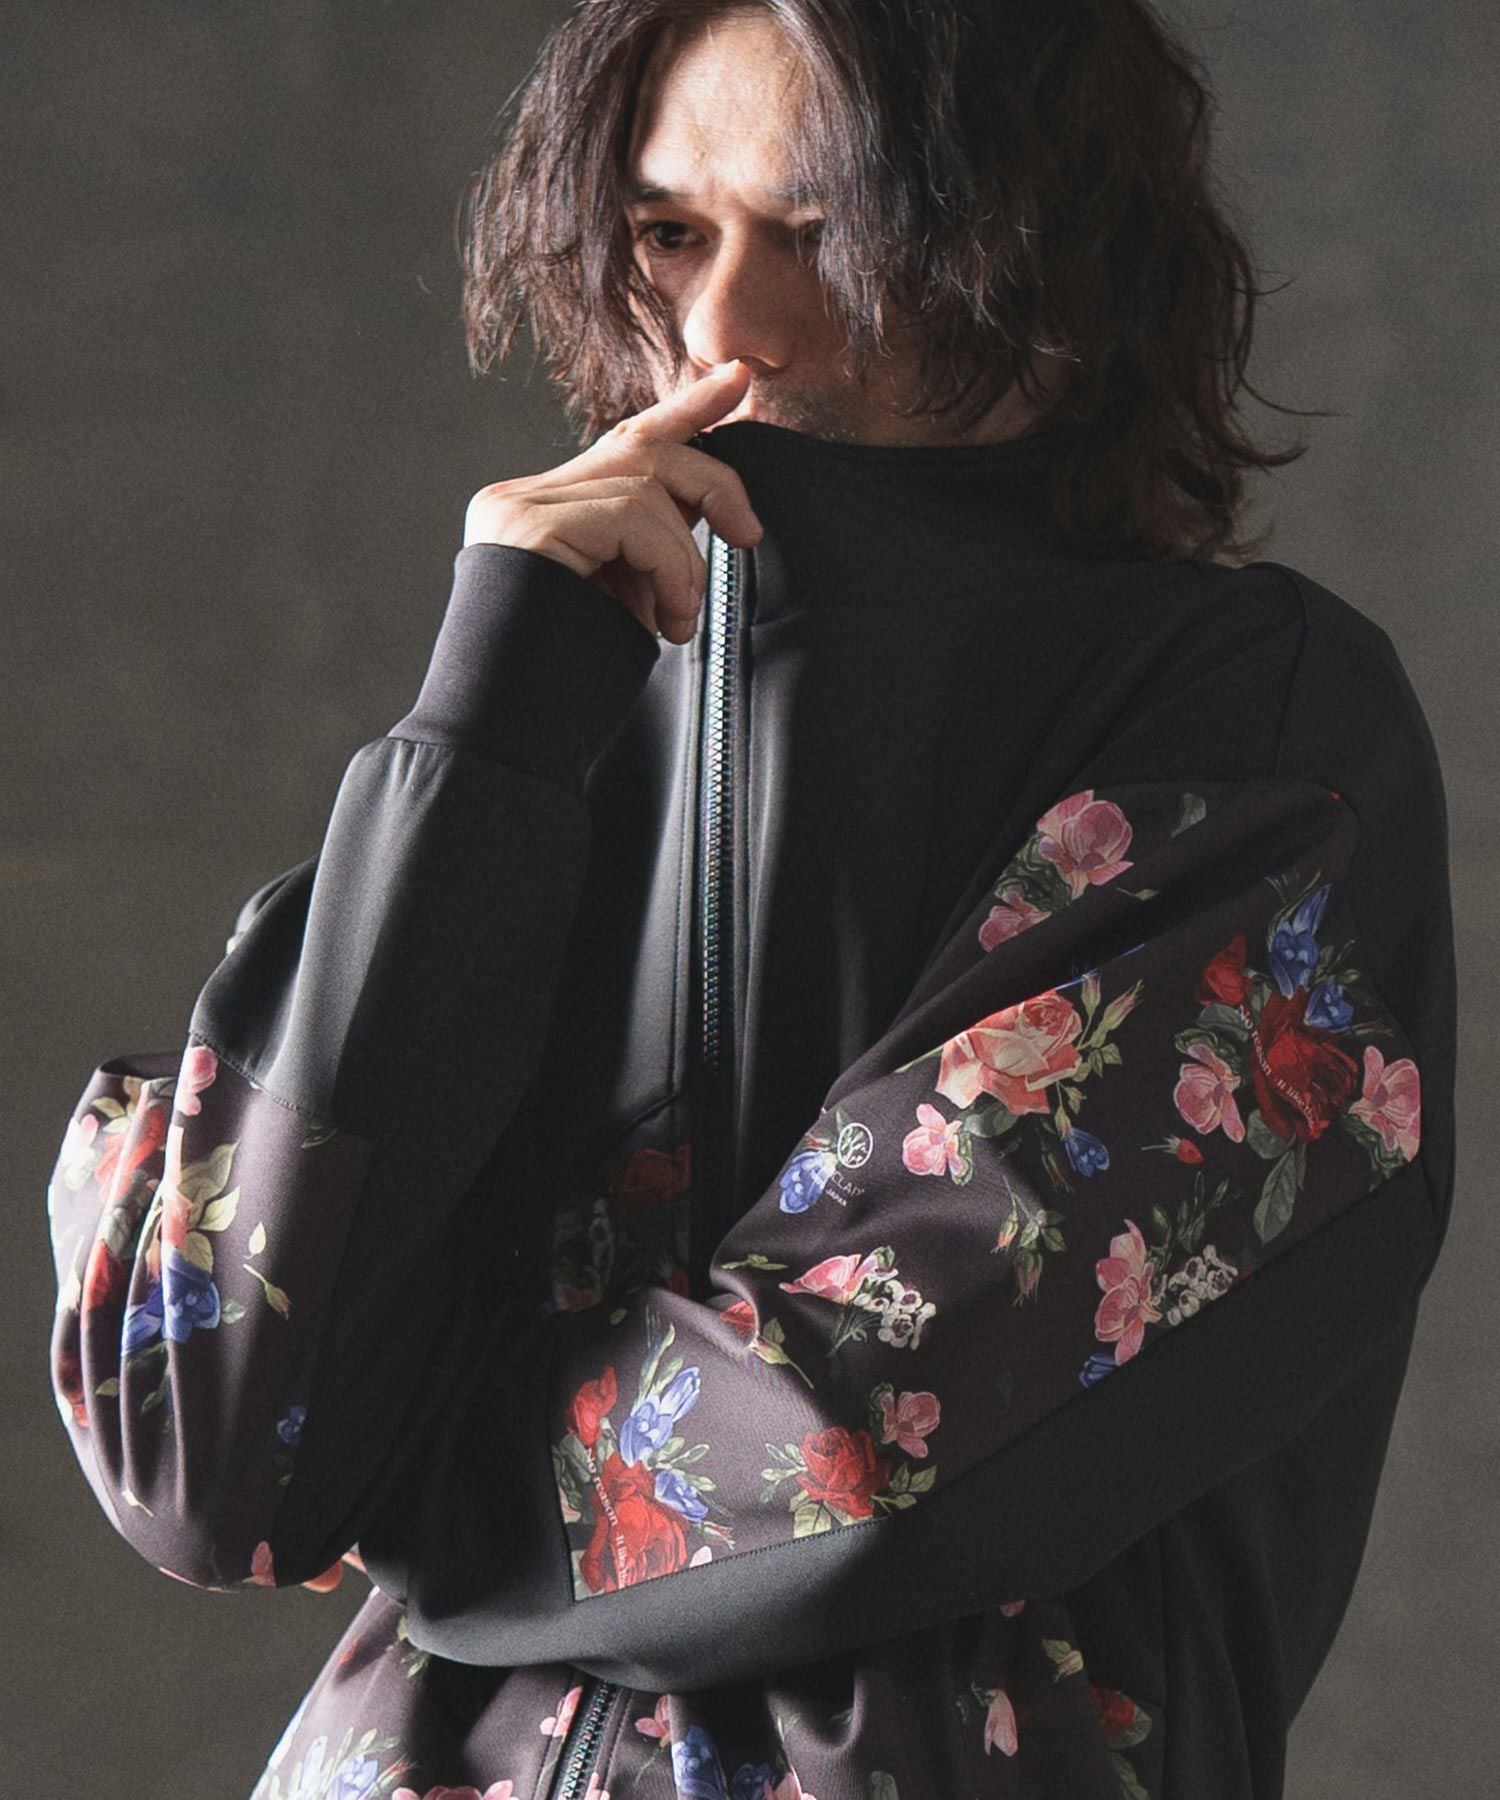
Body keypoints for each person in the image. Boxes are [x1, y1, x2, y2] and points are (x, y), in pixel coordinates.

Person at [46, 3, 1455, 1798]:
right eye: (667, 231)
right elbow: (208, 1440)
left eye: (827, 231)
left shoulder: (1253, 731)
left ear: (1045, 236)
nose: (727, 329)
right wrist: (478, 731)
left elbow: (856, 1446)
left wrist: (390, 1477)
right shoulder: (539, 724)